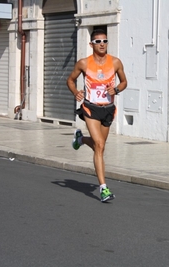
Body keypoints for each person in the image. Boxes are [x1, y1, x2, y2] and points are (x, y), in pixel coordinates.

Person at [66, 29, 127, 202]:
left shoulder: (115, 62)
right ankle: (103, 188)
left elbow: (124, 82)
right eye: (98, 41)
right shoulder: (84, 63)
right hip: (90, 108)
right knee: (99, 145)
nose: (102, 44)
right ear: (91, 44)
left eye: (105, 41)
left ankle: (81, 140)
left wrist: (115, 89)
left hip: (108, 109)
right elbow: (70, 80)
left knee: (99, 146)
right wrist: (75, 92)